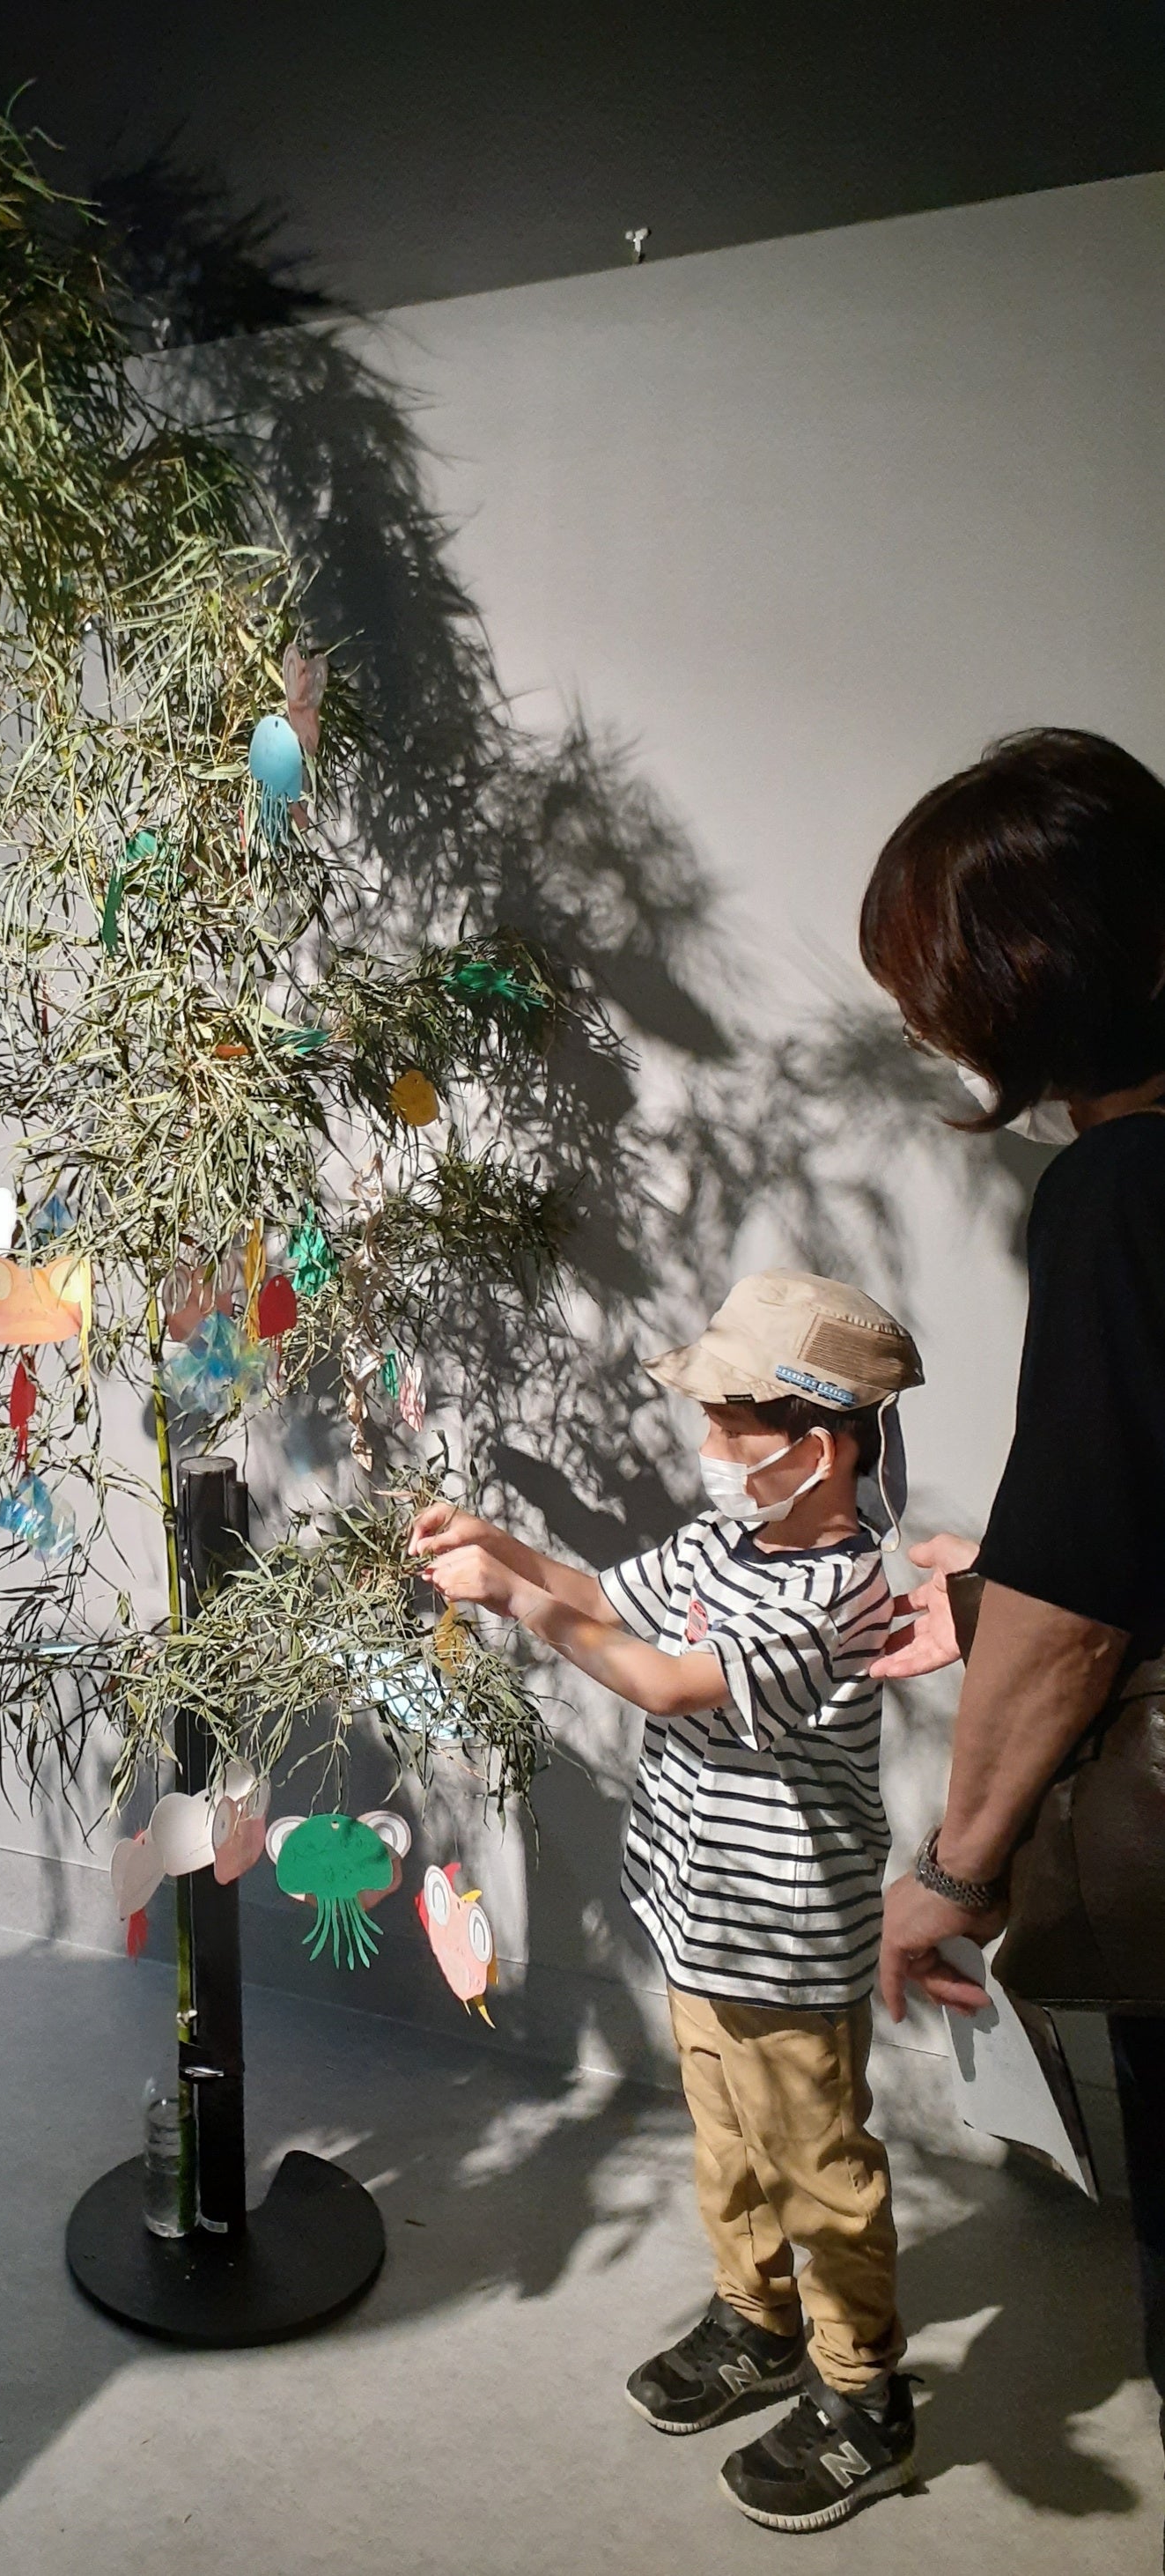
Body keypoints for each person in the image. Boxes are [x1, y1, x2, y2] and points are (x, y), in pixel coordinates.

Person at [413, 1270, 925, 2535]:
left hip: (787, 1936)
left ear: (820, 1447)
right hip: (695, 1910)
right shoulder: (723, 1543)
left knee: (819, 2166)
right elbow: (605, 1599)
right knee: (725, 2140)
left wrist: (514, 1602)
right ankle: (755, 2318)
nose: (702, 1452)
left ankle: (862, 2391)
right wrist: (499, 1545)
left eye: (724, 1426)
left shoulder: (839, 1592)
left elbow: (666, 1682)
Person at [859, 730, 1165, 2468]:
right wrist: (990, 1583)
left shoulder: (1117, 1192)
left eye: (935, 989)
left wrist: (951, 1872)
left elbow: (1079, 1599)